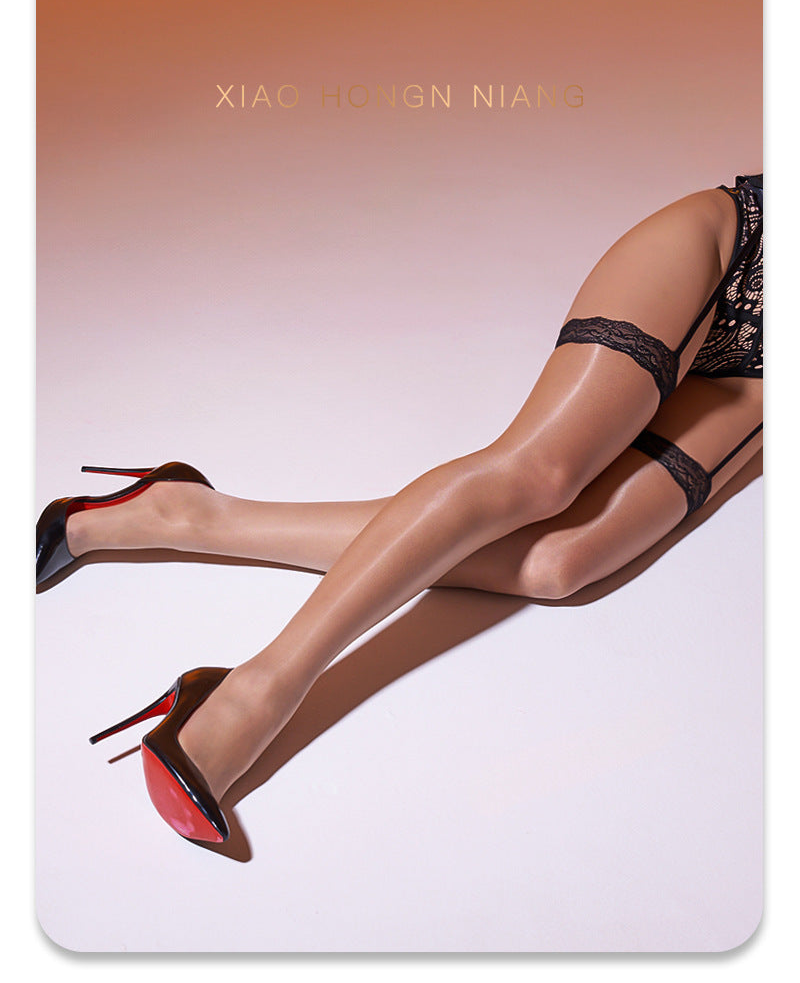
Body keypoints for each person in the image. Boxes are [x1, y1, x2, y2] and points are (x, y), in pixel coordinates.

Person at [36, 174, 764, 844]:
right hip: (737, 261)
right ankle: (257, 688)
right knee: (540, 476)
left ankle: (186, 514)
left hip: (762, 370)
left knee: (561, 562)